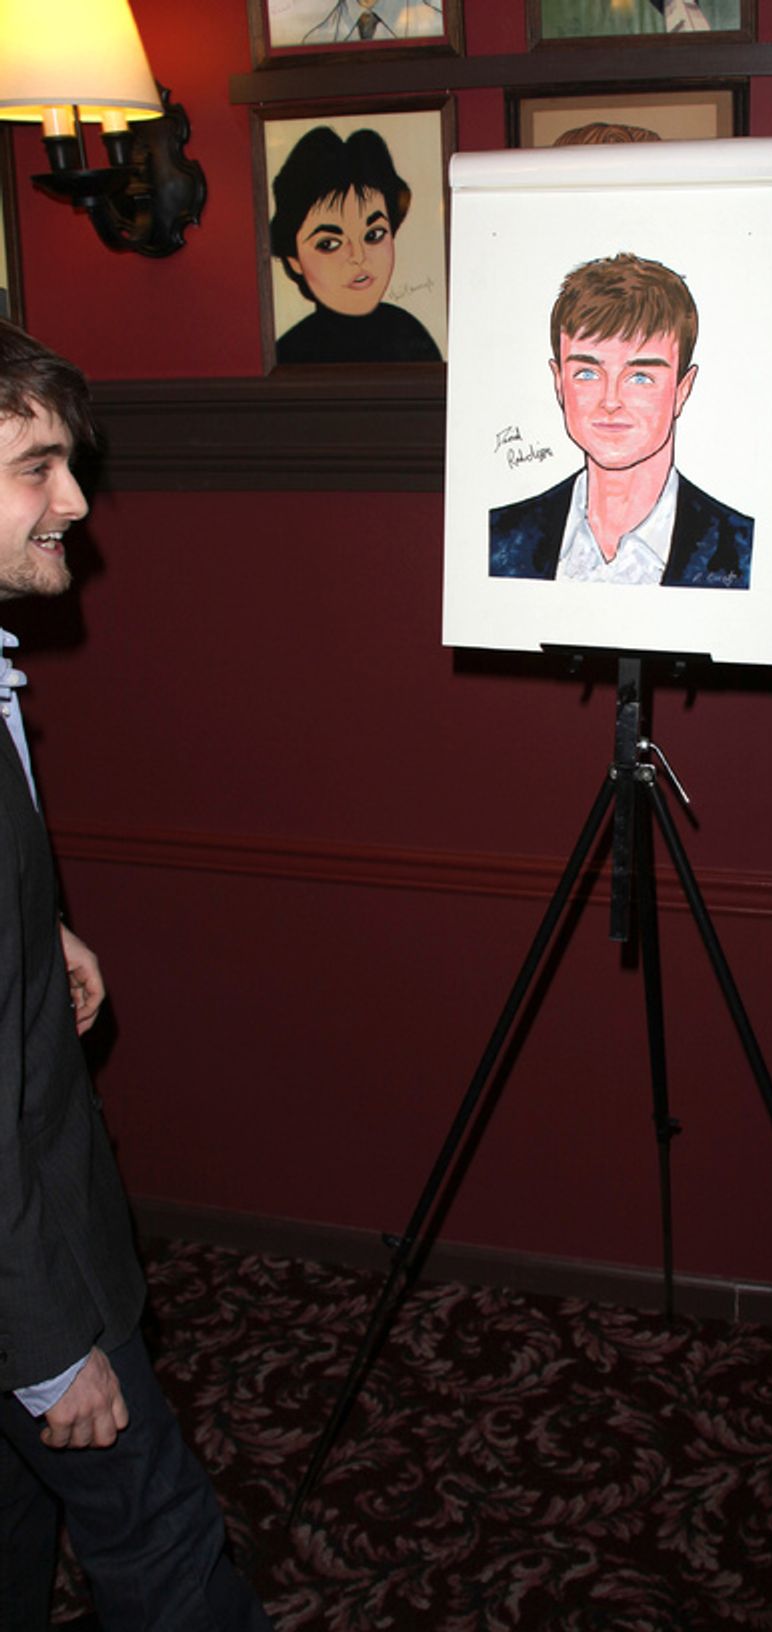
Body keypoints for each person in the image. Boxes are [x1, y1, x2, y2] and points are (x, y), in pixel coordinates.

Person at [0, 319, 273, 1631]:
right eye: (35, 469)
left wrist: (35, 925)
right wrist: (52, 1352)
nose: (75, 502)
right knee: (164, 1557)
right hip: (29, 1285)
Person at [489, 252, 753, 588]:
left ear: (682, 390)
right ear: (559, 382)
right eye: (587, 373)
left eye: (640, 377)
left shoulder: (742, 550)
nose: (610, 401)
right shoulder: (501, 537)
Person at [269, 126, 441, 365]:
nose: (358, 256)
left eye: (374, 235)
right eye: (329, 244)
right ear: (293, 259)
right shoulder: (289, 355)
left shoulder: (411, 338)